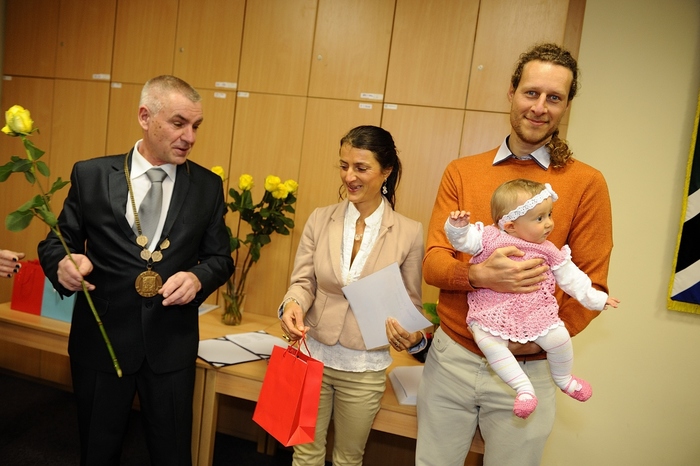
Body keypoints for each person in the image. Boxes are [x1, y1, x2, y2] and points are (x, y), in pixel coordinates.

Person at [416, 43, 614, 466]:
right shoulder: (462, 171)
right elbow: (433, 263)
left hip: (531, 369)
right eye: (531, 93)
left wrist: (534, 339)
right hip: (453, 360)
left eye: (554, 97)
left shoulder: (586, 183)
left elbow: (591, 283)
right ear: (511, 92)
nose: (540, 107)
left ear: (566, 105)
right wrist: (478, 276)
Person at [38, 75, 234, 466]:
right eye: (179, 123)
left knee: (172, 453)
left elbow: (221, 258)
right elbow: (56, 242)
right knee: (98, 451)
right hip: (102, 342)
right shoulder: (91, 175)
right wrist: (64, 264)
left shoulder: (208, 186)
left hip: (171, 344)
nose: (190, 137)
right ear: (145, 117)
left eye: (196, 126)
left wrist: (198, 278)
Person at [279, 125, 427, 466]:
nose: (349, 176)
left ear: (386, 171)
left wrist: (411, 335)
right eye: (344, 166)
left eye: (361, 168)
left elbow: (411, 304)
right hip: (312, 355)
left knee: (348, 459)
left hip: (364, 366)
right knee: (305, 454)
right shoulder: (320, 219)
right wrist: (292, 304)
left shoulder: (409, 232)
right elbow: (303, 282)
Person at [445, 179, 619, 419]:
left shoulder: (548, 249)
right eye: (539, 218)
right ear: (510, 225)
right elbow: (462, 241)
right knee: (489, 344)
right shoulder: (489, 237)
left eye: (549, 214)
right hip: (492, 310)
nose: (549, 223)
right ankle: (524, 389)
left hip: (534, 311)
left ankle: (564, 378)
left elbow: (572, 278)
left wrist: (596, 299)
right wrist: (457, 227)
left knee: (559, 337)